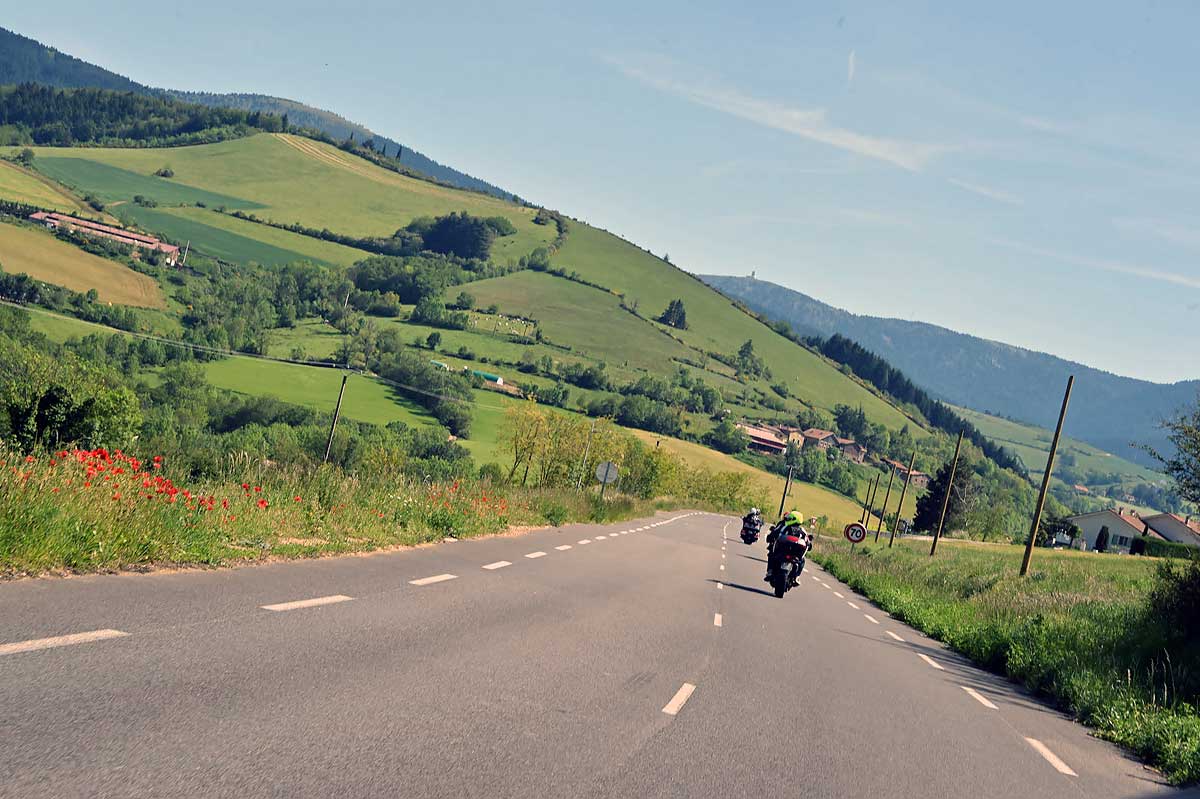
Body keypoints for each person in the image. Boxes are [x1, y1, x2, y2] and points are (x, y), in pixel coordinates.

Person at [765, 510, 809, 584]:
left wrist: (770, 537)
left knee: (802, 560)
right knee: (772, 554)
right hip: (784, 552)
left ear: (795, 519)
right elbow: (775, 533)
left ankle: (796, 576)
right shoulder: (801, 530)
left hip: (788, 553)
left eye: (790, 518)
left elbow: (807, 542)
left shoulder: (785, 527)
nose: (788, 519)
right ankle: (771, 571)